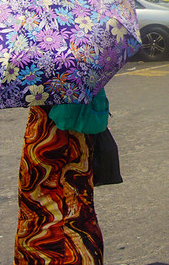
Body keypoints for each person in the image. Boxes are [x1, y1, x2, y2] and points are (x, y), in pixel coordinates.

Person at [16, 92, 108, 263]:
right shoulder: (83, 73)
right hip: (66, 141)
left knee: (60, 216)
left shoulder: (64, 74)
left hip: (54, 141)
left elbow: (64, 118)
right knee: (74, 212)